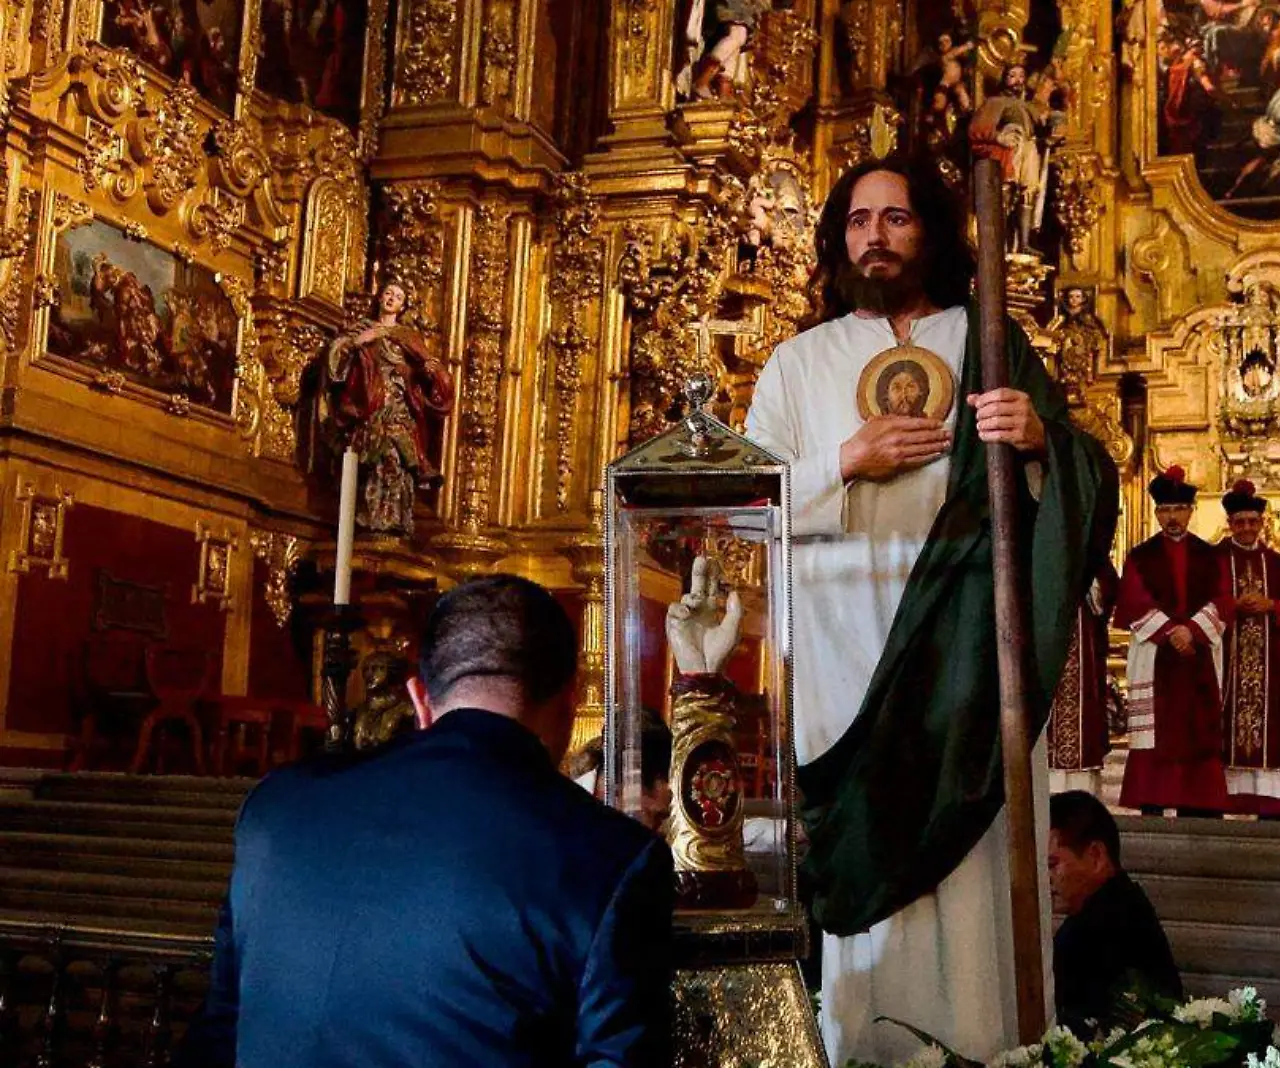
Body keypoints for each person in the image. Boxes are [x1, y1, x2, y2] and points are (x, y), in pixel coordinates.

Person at [743, 155, 1115, 1065]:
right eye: (860, 219)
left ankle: (996, 1048)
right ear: (839, 238)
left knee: (982, 868)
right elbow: (748, 503)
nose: (876, 234)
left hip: (970, 649)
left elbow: (1084, 478)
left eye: (897, 218)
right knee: (875, 870)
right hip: (846, 664)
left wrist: (1037, 444)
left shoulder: (985, 341)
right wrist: (843, 461)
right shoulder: (797, 363)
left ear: (932, 234)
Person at [178, 575, 673, 1067]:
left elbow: (219, 1031)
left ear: (419, 699)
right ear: (569, 704)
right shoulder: (612, 857)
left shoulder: (277, 807)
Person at [1116, 466, 1232, 817]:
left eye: (1178, 510)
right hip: (1156, 656)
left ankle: (1199, 804)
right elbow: (1133, 598)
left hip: (1197, 657)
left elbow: (1224, 598)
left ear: (1190, 512)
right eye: (1165, 510)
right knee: (1157, 730)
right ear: (1156, 513)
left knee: (1198, 726)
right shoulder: (1140, 556)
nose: (1172, 517)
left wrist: (1192, 631)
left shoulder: (1211, 555)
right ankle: (1153, 799)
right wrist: (1171, 632)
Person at [1215, 479, 1280, 819]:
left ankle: (1271, 804)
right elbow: (1200, 605)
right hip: (1225, 666)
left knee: (1269, 731)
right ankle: (1227, 800)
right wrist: (1233, 605)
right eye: (1239, 522)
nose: (1246, 528)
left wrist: (1272, 605)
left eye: (1252, 522)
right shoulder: (1213, 560)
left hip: (1270, 669)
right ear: (1229, 525)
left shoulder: (1277, 563)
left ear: (1261, 524)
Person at [324, 280, 454, 536]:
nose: (391, 298)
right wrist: (359, 342)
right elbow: (336, 360)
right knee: (373, 459)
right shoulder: (364, 329)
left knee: (397, 458)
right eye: (387, 292)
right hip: (370, 404)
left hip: (400, 407)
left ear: (403, 306)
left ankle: (394, 519)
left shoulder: (408, 337)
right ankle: (369, 518)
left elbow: (426, 370)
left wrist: (426, 372)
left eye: (397, 296)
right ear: (380, 298)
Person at [1048, 790, 1182, 1038]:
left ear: (1096, 855)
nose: (1046, 879)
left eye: (1052, 864)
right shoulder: (1114, 905)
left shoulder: (1106, 924)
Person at [1048, 553, 1119, 794]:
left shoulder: (1093, 553)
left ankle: (1081, 797)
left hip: (1084, 656)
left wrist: (1085, 581)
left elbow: (1108, 594)